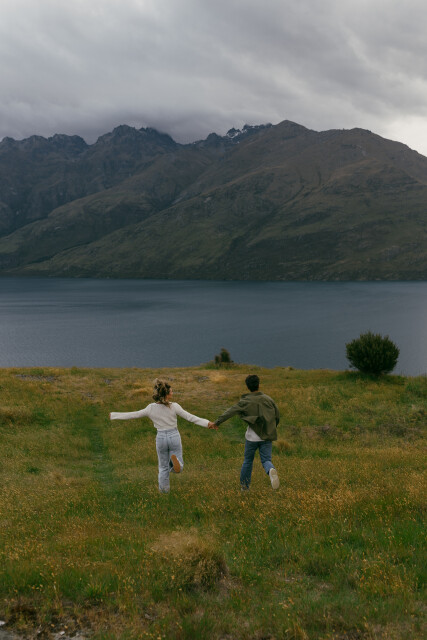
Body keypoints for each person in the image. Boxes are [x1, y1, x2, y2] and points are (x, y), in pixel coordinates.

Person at [110, 379, 217, 493]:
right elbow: (191, 417)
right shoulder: (174, 406)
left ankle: (164, 491)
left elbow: (133, 414)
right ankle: (175, 465)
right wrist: (207, 423)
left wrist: (114, 415)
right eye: (171, 391)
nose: (172, 393)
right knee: (179, 465)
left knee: (162, 467)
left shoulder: (150, 408)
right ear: (167, 394)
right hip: (173, 436)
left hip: (161, 438)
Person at [213, 374, 280, 490]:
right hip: (267, 436)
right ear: (258, 385)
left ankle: (244, 487)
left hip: (251, 438)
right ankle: (270, 470)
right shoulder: (269, 399)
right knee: (266, 460)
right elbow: (277, 416)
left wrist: (216, 422)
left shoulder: (245, 401)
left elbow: (230, 412)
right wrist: (270, 429)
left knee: (248, 461)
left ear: (247, 387)